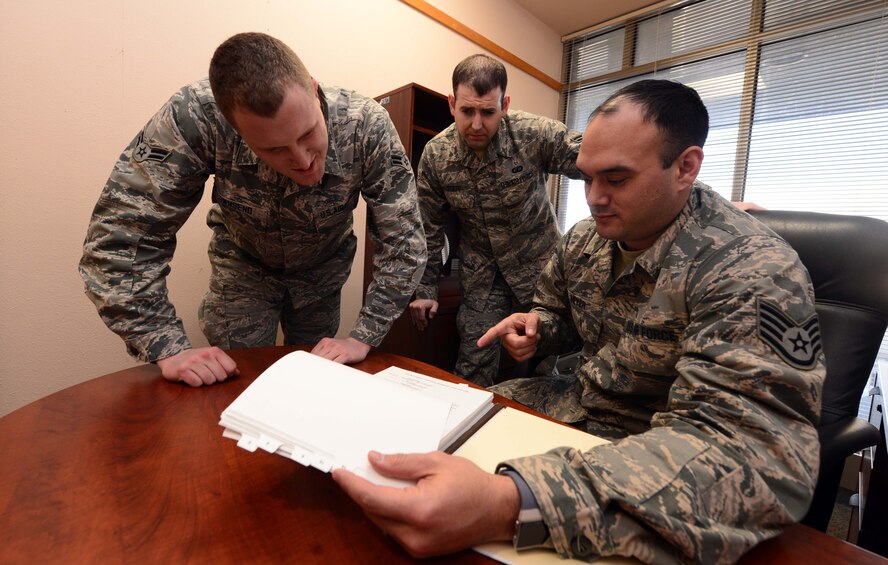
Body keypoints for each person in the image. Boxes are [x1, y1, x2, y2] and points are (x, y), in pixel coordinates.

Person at [332, 79, 825, 563]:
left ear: (686, 168)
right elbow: (558, 311)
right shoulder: (586, 239)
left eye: (616, 179)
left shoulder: (750, 266)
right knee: (430, 428)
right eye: (586, 177)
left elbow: (756, 459)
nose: (593, 198)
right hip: (579, 404)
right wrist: (537, 328)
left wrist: (512, 506)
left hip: (654, 441)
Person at [79, 32, 426, 387]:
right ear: (233, 130)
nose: (303, 160)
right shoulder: (196, 117)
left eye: (309, 134)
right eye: (274, 149)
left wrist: (363, 335)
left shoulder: (366, 125)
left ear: (314, 89)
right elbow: (120, 242)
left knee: (316, 385)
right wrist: (165, 345)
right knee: (236, 388)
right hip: (243, 270)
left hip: (321, 274)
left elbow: (404, 244)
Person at [408, 54, 583, 387]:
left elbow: (594, 158)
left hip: (540, 272)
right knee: (475, 358)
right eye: (467, 111)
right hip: (483, 276)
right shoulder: (436, 155)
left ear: (504, 104)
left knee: (545, 362)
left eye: (488, 112)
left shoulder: (533, 134)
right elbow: (429, 228)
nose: (476, 124)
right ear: (451, 103)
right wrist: (426, 288)